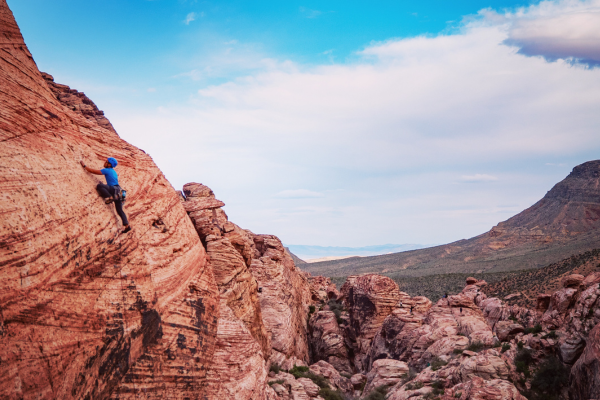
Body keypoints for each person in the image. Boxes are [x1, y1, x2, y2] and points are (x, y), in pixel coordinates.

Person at [80, 158, 131, 233]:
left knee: (99, 186)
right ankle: (127, 226)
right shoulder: (114, 172)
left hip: (114, 190)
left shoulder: (107, 170)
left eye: (107, 162)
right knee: (120, 210)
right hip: (120, 192)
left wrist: (84, 166)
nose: (105, 162)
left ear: (109, 164)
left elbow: (93, 171)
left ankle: (110, 197)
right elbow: (112, 182)